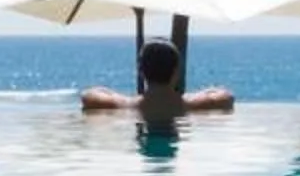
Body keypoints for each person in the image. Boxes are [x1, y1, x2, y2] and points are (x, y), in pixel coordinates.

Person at [83, 38, 235, 121]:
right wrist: (198, 95)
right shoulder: (193, 105)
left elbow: (89, 95)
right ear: (177, 72)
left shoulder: (124, 106)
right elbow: (226, 96)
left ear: (141, 72)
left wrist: (122, 99)